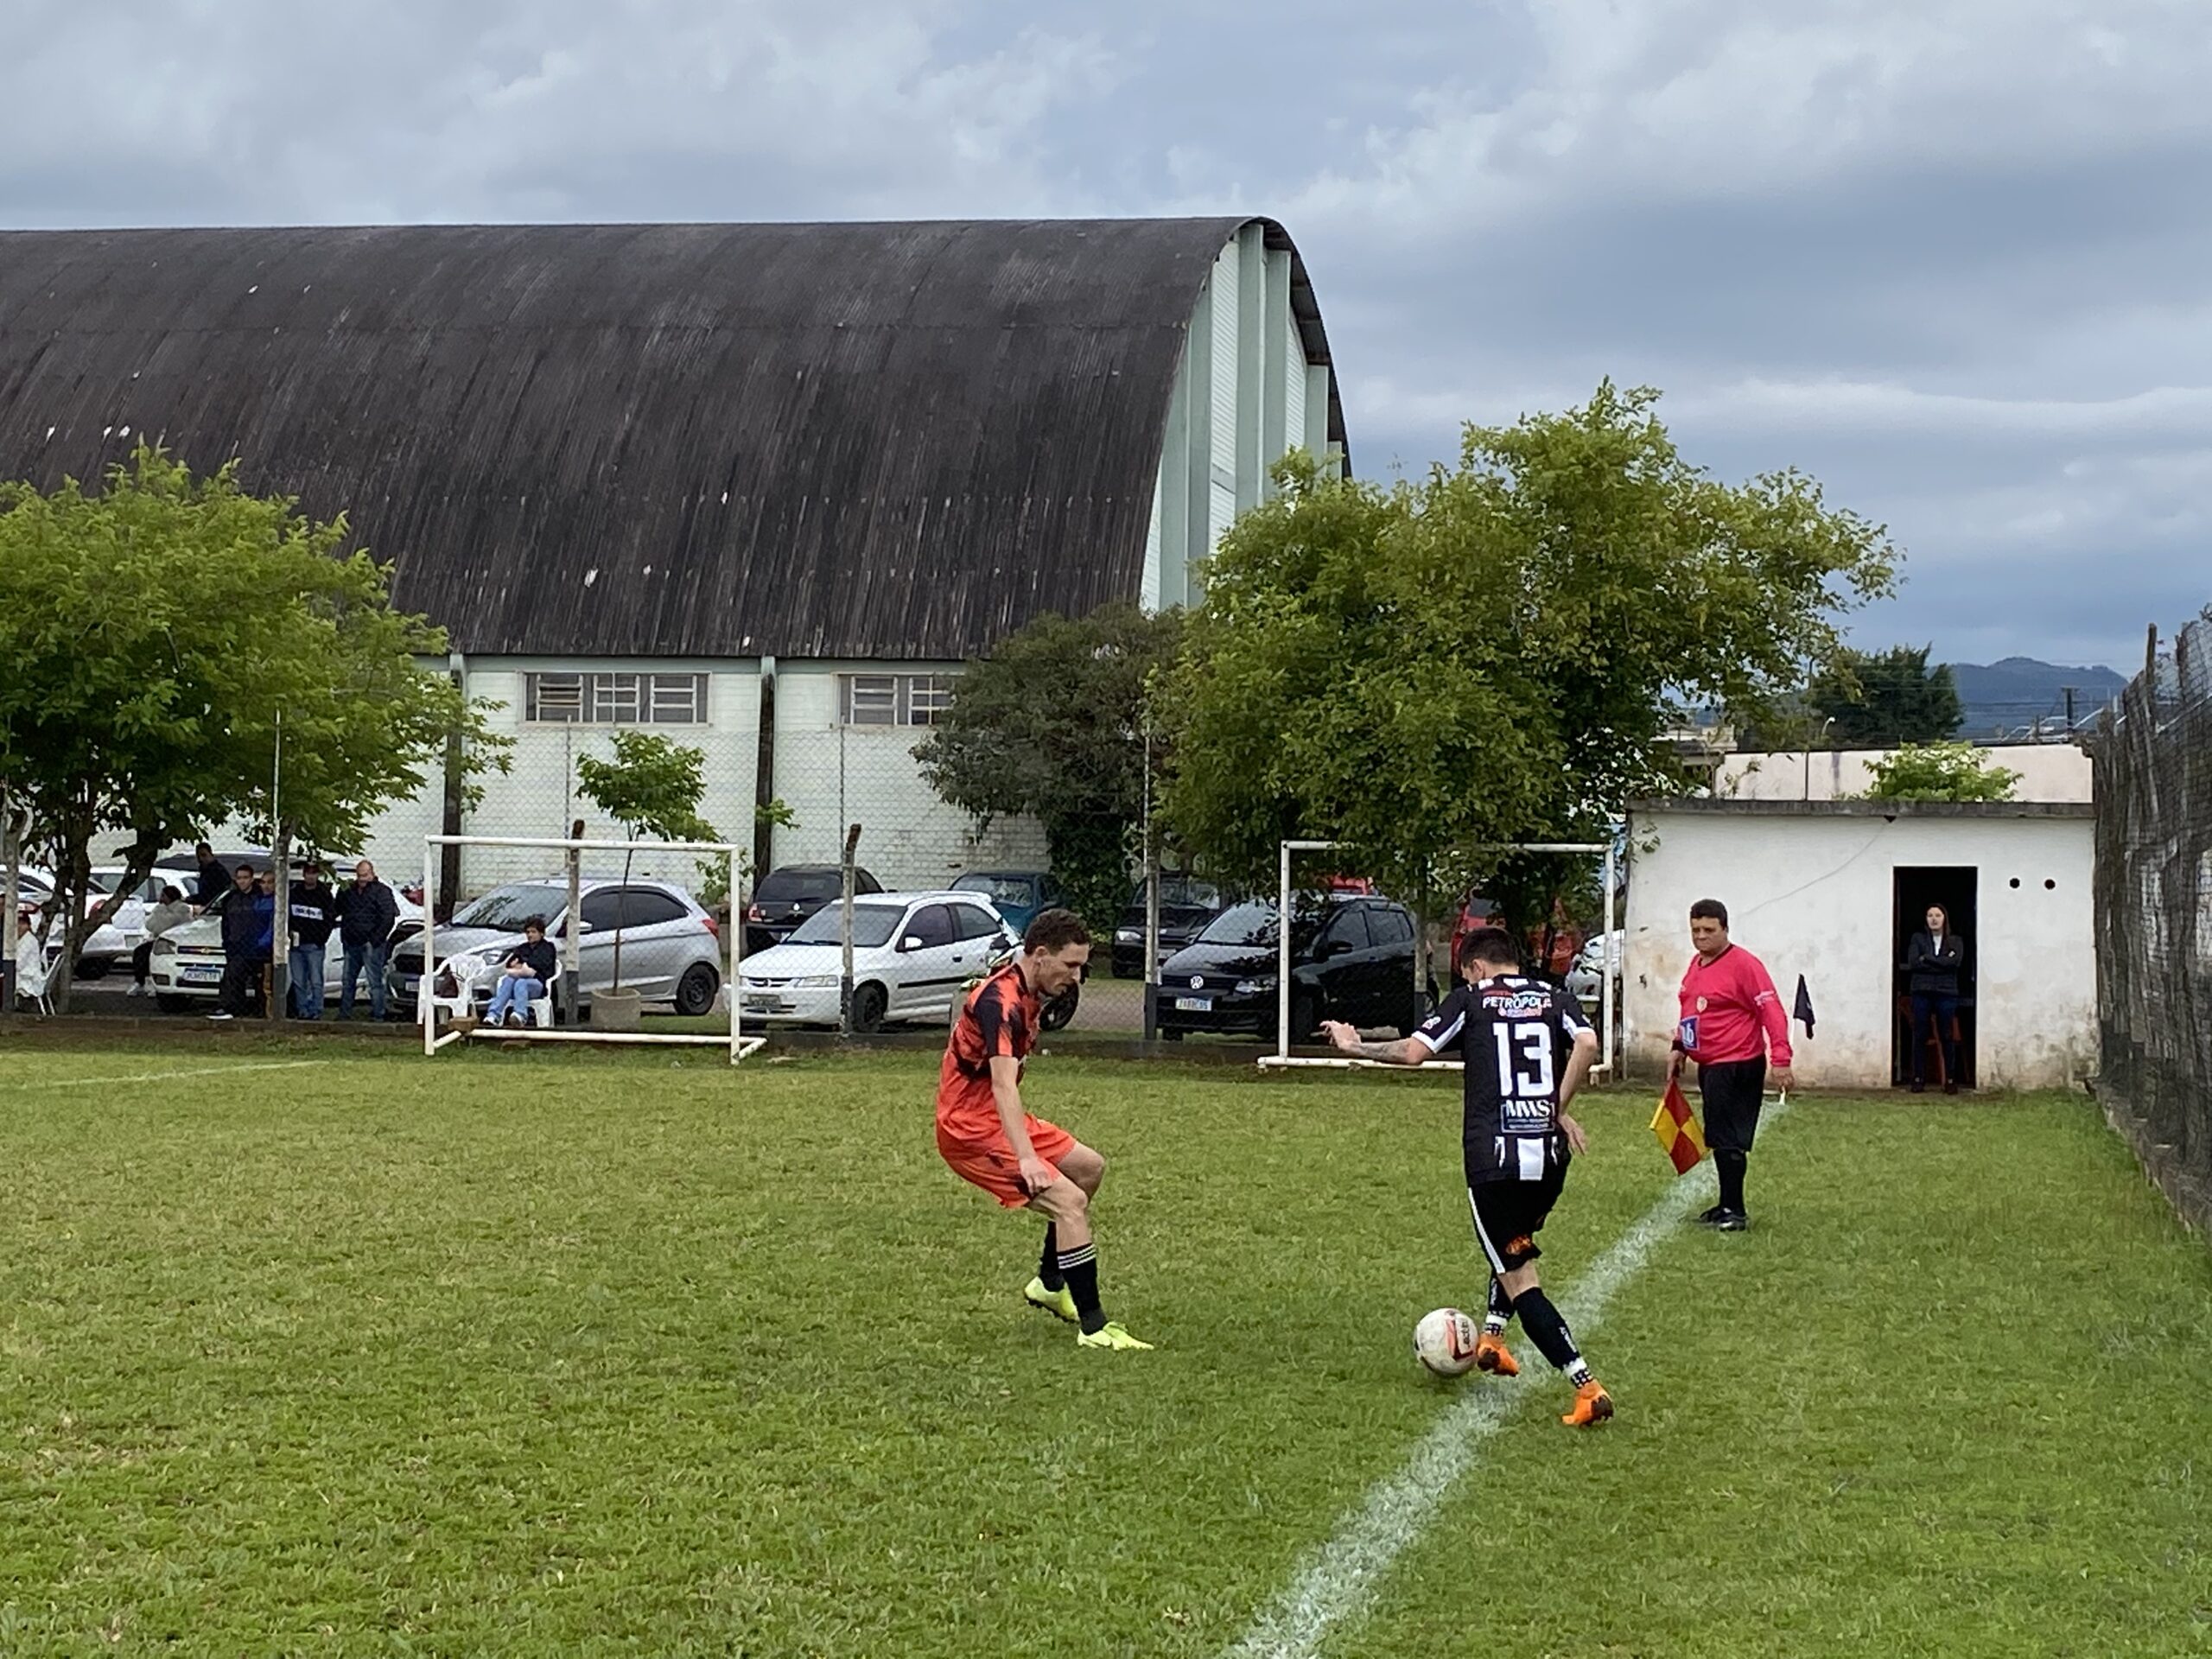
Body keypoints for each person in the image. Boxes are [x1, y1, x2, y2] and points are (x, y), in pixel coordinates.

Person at [1325, 926, 1613, 1427]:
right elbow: (1587, 1046)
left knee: (1521, 1276)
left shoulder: (1470, 999)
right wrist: (1555, 1109)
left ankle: (1586, 1386)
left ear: (1476, 968)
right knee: (1514, 1246)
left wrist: (1355, 1048)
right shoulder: (1556, 996)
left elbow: (1413, 1053)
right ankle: (1494, 1339)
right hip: (1547, 1156)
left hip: (1494, 1159)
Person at [935, 907, 1153, 1351]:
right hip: (970, 1129)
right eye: (1070, 965)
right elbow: (1001, 1086)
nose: (1076, 976)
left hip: (995, 1117)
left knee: (1089, 1169)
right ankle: (1094, 1327)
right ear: (1038, 955)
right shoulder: (1002, 1003)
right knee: (1070, 1203)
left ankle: (1050, 1284)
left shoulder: (1027, 986)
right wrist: (1027, 1158)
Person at [1668, 899, 1795, 1232]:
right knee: (1718, 1135)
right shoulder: (1696, 964)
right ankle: (1726, 1203)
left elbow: (1772, 1011)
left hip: (1737, 1062)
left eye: (1709, 930)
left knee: (1728, 1138)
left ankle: (1735, 1211)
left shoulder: (1745, 965)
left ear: (1725, 929)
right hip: (1710, 1064)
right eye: (1695, 930)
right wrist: (1679, 1047)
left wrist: (1781, 1059)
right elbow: (1690, 1010)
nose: (1701, 936)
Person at [1903, 905, 1965, 1094]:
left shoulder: (1955, 941)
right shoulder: (1918, 939)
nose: (1934, 919)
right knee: (1920, 1034)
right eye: (1930, 915)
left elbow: (1955, 963)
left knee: (1947, 1035)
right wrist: (1941, 963)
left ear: (1944, 918)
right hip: (1921, 992)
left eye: (1938, 915)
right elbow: (1913, 962)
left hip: (1946, 993)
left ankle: (1950, 1080)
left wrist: (1927, 959)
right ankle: (1918, 1078)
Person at [334, 859, 399, 1021]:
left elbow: (388, 918)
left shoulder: (382, 892)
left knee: (374, 981)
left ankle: (378, 1014)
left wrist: (375, 940)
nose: (362, 879)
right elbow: (338, 909)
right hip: (351, 942)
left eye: (364, 875)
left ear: (372, 873)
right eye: (359, 876)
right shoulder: (349, 890)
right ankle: (344, 1013)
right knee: (348, 980)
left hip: (372, 944)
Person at [209, 863, 273, 1021]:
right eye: (239, 878)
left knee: (259, 983)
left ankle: (258, 1011)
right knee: (233, 977)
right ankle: (233, 1008)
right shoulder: (231, 899)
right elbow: (226, 924)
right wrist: (227, 942)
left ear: (252, 879)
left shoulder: (259, 898)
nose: (242, 881)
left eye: (245, 878)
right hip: (235, 947)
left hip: (257, 949)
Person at [286, 862, 339, 1020]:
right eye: (307, 873)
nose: (310, 876)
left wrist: (320, 939)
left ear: (318, 875)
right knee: (298, 980)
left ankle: (316, 1010)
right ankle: (302, 1010)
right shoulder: (295, 893)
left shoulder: (324, 894)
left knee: (316, 980)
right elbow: (288, 916)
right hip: (296, 944)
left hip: (315, 945)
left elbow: (329, 920)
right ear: (303, 874)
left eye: (313, 873)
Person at [485, 918, 557, 1027]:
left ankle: (520, 1015)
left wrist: (522, 968)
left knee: (521, 982)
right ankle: (494, 1015)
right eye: (528, 932)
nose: (530, 935)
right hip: (516, 985)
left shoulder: (547, 948)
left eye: (533, 932)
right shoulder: (522, 948)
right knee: (508, 980)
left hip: (538, 985)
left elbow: (533, 968)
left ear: (541, 933)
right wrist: (523, 969)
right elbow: (509, 967)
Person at [129, 884, 193, 997]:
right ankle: (140, 981)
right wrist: (160, 914)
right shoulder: (160, 909)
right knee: (140, 952)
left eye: (163, 895)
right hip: (157, 939)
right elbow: (150, 924)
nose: (161, 898)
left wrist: (160, 915)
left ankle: (154, 983)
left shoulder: (182, 909)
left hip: (173, 941)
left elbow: (165, 925)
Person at [13, 910, 54, 1015]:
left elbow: (18, 963)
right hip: (23, 974)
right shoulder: (19, 940)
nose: (19, 927)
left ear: (28, 925)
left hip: (28, 977)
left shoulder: (29, 940)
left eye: (22, 924)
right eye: (17, 924)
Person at [192, 842, 227, 909]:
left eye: (204, 855)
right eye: (198, 856)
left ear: (211, 854)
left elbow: (212, 894)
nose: (201, 859)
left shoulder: (217, 871)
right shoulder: (205, 871)